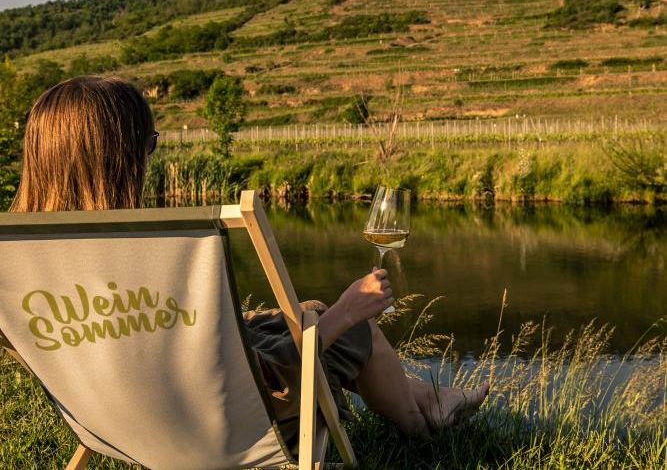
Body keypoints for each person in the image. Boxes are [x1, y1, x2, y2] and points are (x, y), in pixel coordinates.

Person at [8, 75, 489, 450]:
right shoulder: (151, 253)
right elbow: (253, 383)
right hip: (204, 420)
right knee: (354, 327)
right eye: (147, 146)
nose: (148, 160)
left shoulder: (17, 255)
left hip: (107, 418)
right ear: (118, 161)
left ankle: (431, 399)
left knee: (303, 312)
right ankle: (425, 432)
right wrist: (348, 312)